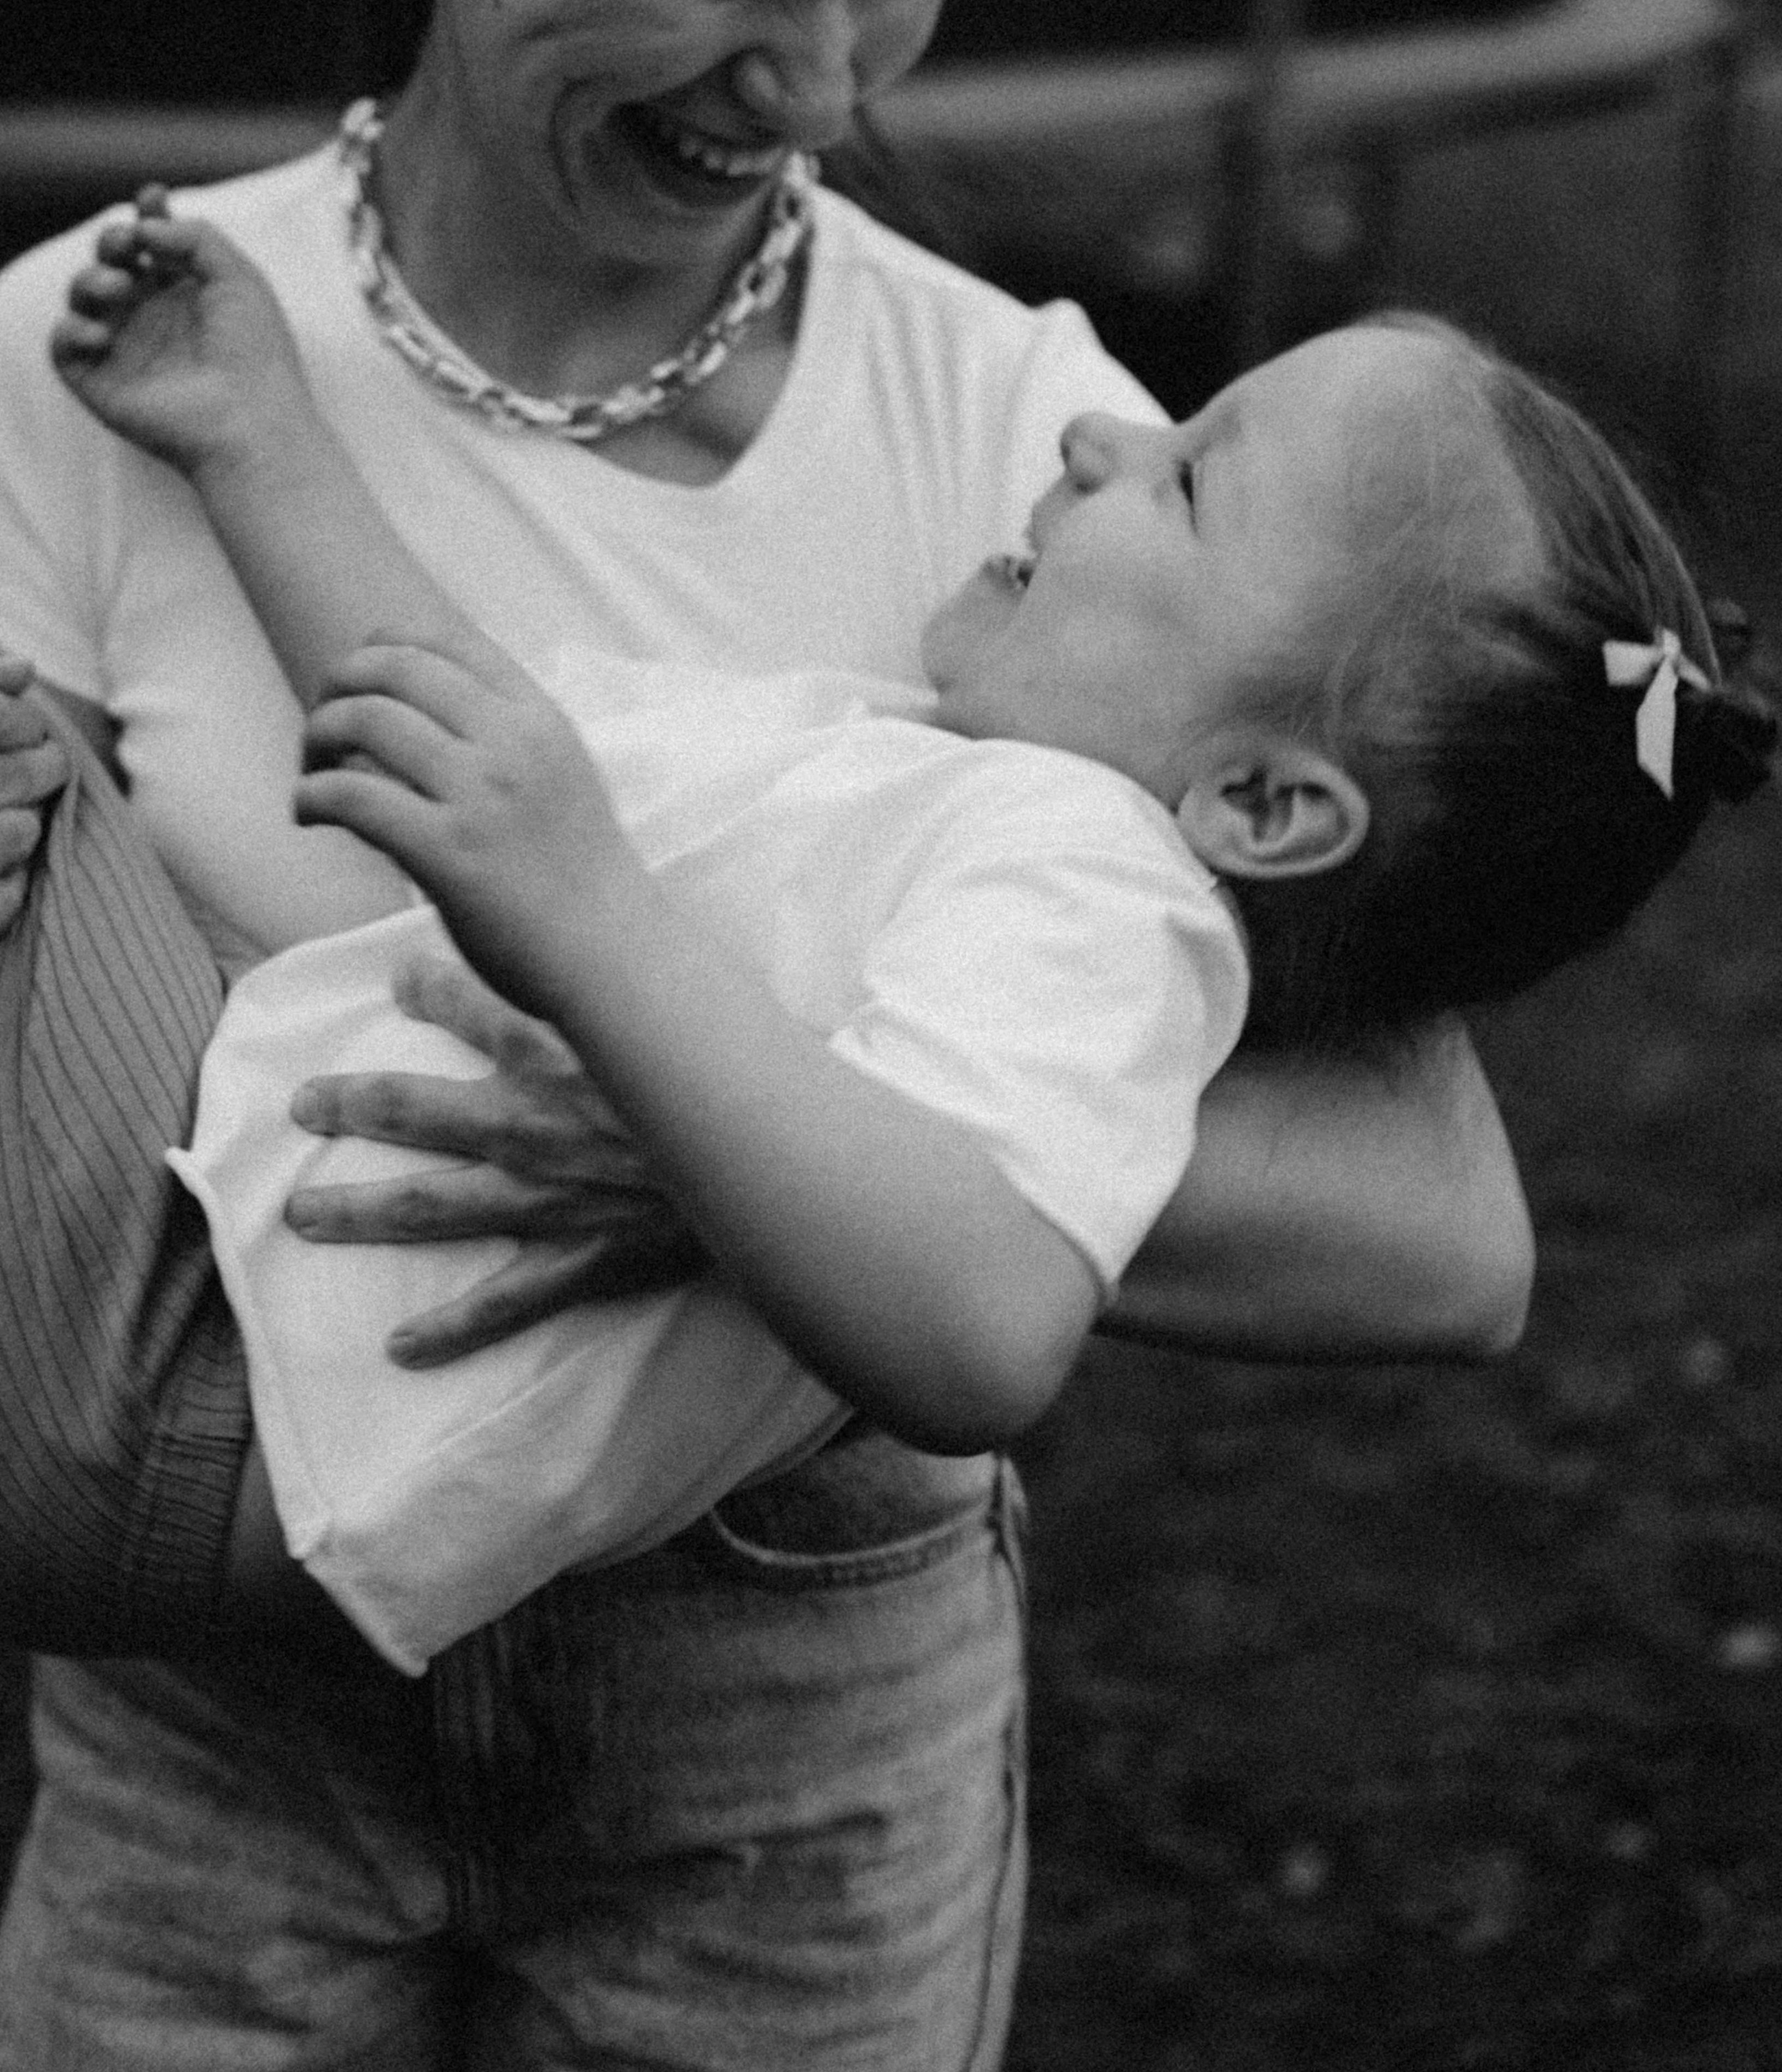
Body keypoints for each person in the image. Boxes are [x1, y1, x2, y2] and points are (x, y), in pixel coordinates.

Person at [0, 0, 1535, 2060]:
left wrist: (728, 1130)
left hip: (785, 1743)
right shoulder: (105, 360)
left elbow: (1435, 1225)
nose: (821, 90)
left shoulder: (1031, 451)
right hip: (217, 1726)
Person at [42, 199, 1776, 1691]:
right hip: (195, 1310)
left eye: (1183, 479)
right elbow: (454, 738)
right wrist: (251, 435)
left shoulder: (1095, 891)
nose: (1094, 439)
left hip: (201, 1376)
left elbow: (981, 1327)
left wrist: (589, 922)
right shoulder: (919, 779)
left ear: (1256, 803)